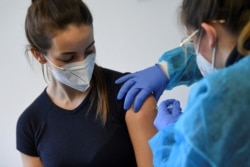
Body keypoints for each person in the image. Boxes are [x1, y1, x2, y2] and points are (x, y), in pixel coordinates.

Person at [16, 0, 157, 166]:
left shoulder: (130, 93)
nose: (83, 62)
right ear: (38, 55)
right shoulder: (30, 124)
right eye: (68, 57)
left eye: (89, 50)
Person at [116, 0, 250, 166]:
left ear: (209, 34)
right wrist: (166, 69)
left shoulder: (220, 96)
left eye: (192, 43)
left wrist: (170, 134)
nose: (193, 52)